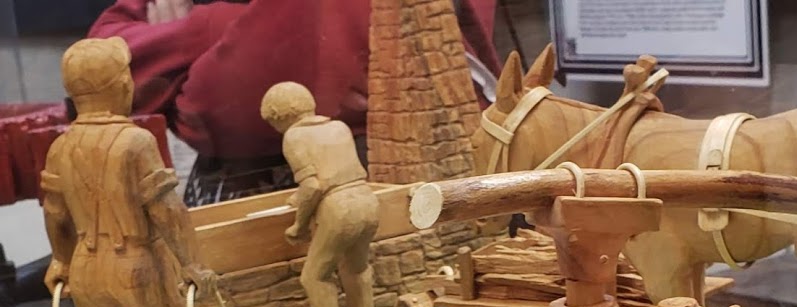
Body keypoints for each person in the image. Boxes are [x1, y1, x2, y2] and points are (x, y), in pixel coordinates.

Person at [88, 0, 502, 205]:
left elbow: (221, 107)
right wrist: (218, 35)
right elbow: (99, 61)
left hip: (398, 188)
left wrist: (195, 33)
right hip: (245, 208)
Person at [41, 36, 220, 307]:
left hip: (87, 262)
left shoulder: (61, 146)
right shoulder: (135, 142)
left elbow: (55, 213)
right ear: (121, 85)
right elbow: (166, 209)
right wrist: (192, 263)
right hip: (137, 260)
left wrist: (61, 260)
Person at [260, 81, 381, 307]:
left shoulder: (294, 137)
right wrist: (300, 199)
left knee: (315, 276)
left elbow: (313, 186)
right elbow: (334, 174)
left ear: (279, 116)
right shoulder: (339, 127)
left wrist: (299, 225)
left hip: (338, 209)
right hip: (366, 199)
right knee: (357, 267)